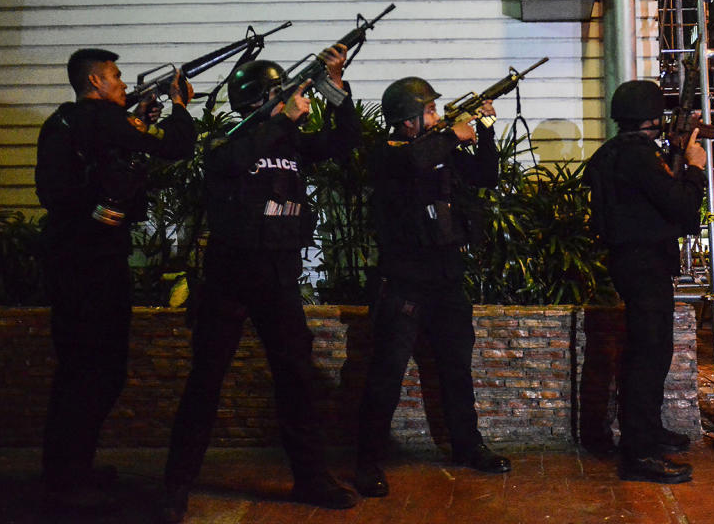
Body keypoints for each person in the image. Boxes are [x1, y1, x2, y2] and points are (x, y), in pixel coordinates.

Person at [161, 44, 361, 522]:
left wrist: (336, 88)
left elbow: (346, 139)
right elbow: (228, 164)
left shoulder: (289, 142)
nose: (291, 98)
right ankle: (175, 485)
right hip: (230, 278)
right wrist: (282, 120)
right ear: (257, 100)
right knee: (205, 380)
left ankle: (311, 476)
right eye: (279, 93)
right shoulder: (230, 140)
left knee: (296, 377)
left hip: (277, 277)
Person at [35, 48, 195, 511]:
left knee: (77, 369)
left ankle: (67, 469)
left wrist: (138, 120)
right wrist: (180, 105)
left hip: (68, 258)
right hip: (94, 262)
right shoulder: (102, 120)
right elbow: (177, 146)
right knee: (99, 369)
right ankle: (67, 481)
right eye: (117, 77)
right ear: (95, 82)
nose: (124, 85)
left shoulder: (64, 122)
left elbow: (110, 149)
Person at [353, 76, 511, 499]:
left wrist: (486, 131)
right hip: (404, 280)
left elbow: (485, 176)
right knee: (386, 374)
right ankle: (366, 461)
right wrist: (453, 136)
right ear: (407, 122)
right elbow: (411, 164)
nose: (437, 117)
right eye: (429, 112)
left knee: (456, 368)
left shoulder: (441, 151)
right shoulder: (389, 154)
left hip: (445, 277)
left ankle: (467, 444)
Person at [582, 79, 707, 484]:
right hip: (645, 263)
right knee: (647, 355)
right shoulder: (638, 158)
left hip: (630, 262)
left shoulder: (614, 154)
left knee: (653, 349)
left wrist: (673, 153)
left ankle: (648, 433)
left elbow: (647, 196)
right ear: (651, 117)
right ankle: (639, 453)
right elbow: (684, 212)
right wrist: (696, 170)